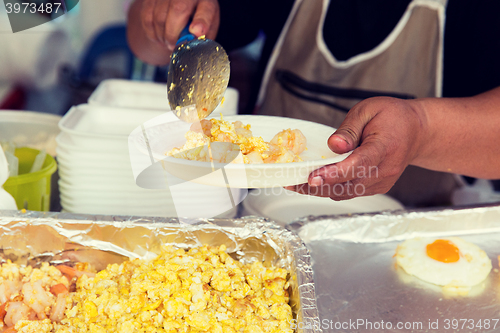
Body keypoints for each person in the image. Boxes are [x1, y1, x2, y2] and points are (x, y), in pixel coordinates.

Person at [127, 0, 500, 207]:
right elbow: (149, 47)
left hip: (418, 238)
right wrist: (161, 13)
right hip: (262, 219)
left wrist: (422, 128)